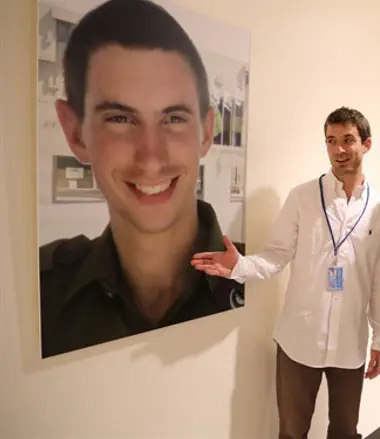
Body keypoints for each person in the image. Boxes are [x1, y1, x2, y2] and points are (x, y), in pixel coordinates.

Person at [39, 0, 246, 359]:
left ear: (206, 132)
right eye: (120, 119)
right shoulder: (40, 292)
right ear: (75, 132)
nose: (151, 158)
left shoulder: (254, 275)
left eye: (174, 118)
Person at [191, 107, 380, 439]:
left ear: (366, 144)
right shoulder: (303, 197)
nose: (339, 149)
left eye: (348, 140)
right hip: (299, 339)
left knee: (345, 431)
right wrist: (239, 265)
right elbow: (276, 255)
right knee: (291, 432)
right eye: (331, 141)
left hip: (350, 342)